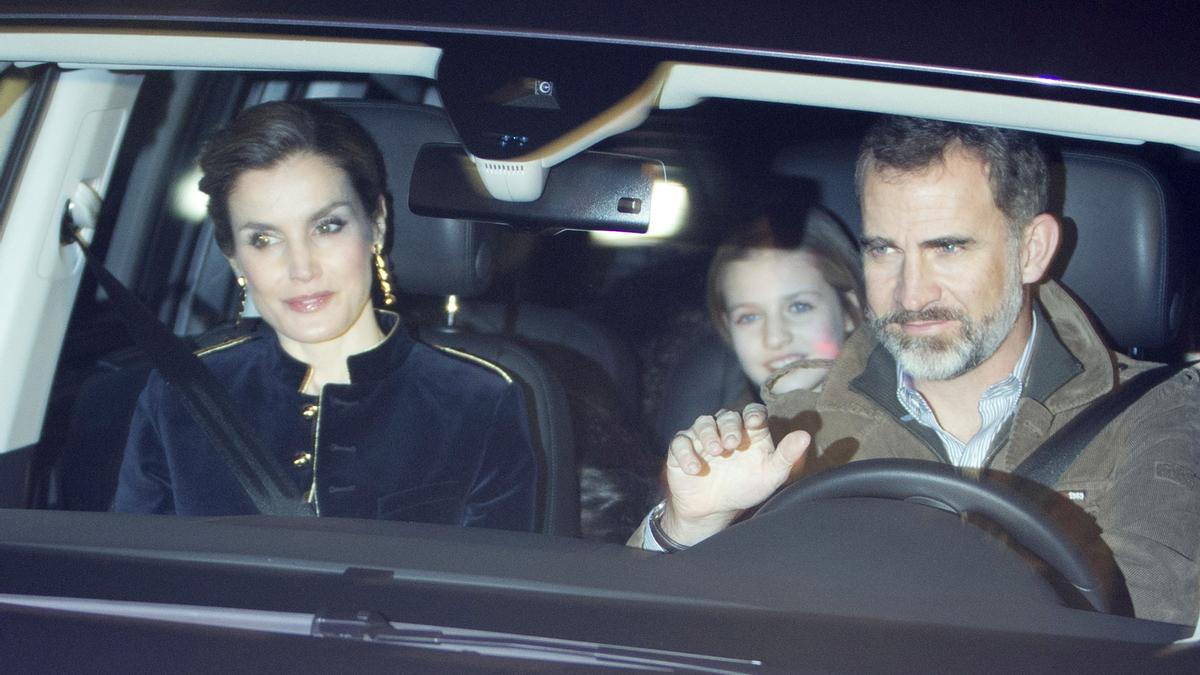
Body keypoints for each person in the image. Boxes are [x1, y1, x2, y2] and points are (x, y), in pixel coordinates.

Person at [632, 116, 1200, 626]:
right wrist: (685, 527)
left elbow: (1149, 631)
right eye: (883, 250)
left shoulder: (1159, 411)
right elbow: (643, 632)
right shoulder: (791, 424)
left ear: (1031, 249)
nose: (910, 292)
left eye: (947, 248)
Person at [114, 100, 537, 531]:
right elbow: (133, 580)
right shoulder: (179, 397)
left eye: (327, 226)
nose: (302, 268)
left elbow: (488, 593)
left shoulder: (477, 403)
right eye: (264, 238)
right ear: (235, 259)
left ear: (377, 225)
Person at [706, 205, 863, 401]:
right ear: (728, 326)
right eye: (749, 317)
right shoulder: (732, 427)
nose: (775, 338)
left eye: (799, 307)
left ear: (849, 310)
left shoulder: (900, 420)